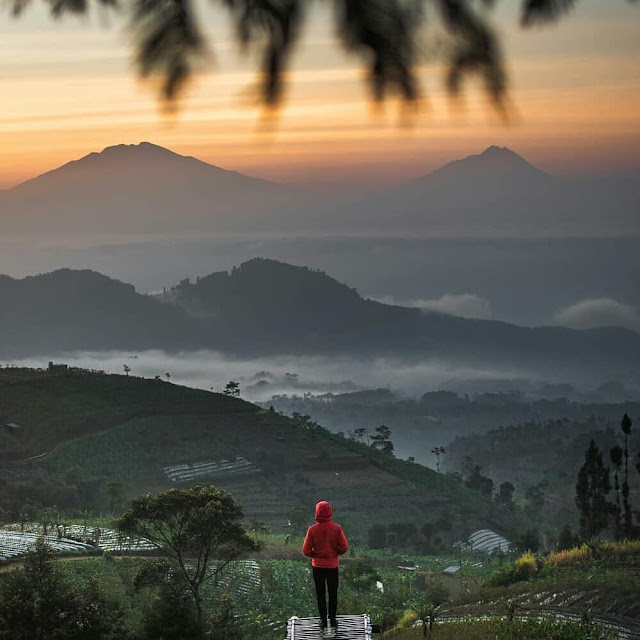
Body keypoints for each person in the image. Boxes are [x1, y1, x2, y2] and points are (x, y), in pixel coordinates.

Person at [302, 501, 349, 633]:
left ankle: (323, 620)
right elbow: (344, 547)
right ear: (330, 512)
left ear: (317, 513)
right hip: (333, 566)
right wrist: (335, 553)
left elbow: (306, 551)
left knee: (320, 593)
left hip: (318, 566)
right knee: (333, 593)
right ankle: (333, 619)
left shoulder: (312, 530)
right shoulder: (337, 528)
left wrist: (315, 555)